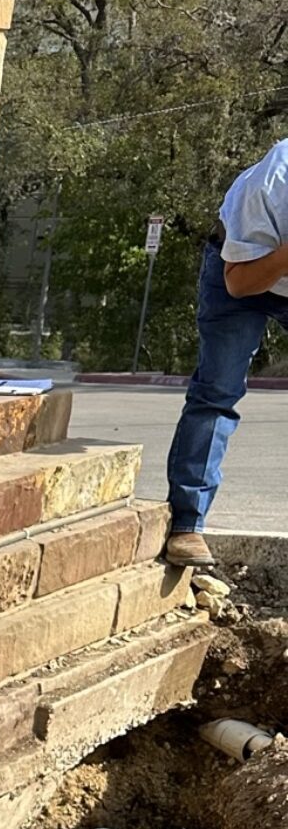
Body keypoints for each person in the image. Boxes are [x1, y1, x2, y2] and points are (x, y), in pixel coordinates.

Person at [163, 137, 288, 566]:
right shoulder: (273, 184)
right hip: (239, 268)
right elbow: (240, 283)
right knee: (218, 391)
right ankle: (186, 524)